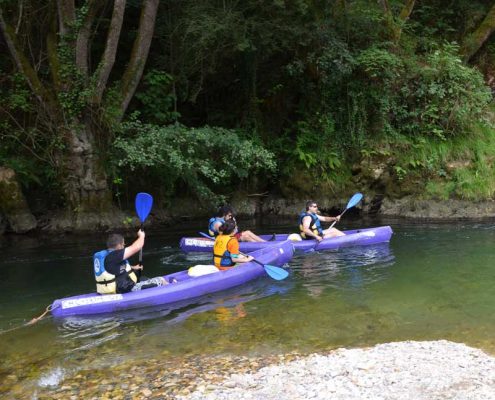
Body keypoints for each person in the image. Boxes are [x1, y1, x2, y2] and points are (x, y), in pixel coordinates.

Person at [93, 230, 169, 294]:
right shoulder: (115, 255)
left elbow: (113, 269)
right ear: (119, 245)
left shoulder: (108, 256)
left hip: (113, 288)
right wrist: (142, 236)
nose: (124, 246)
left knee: (144, 279)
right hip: (124, 289)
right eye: (123, 244)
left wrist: (133, 267)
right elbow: (136, 247)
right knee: (160, 280)